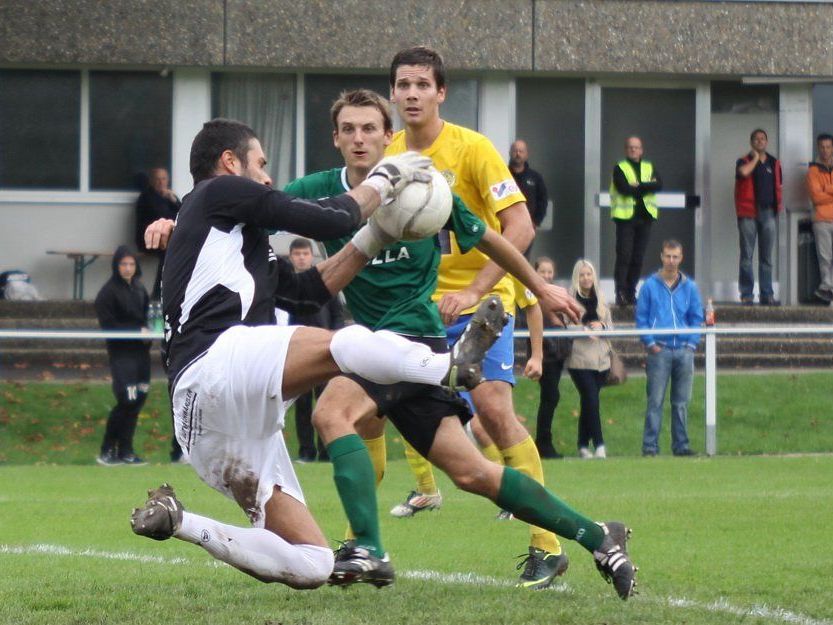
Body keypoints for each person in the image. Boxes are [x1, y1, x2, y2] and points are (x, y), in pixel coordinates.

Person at [288, 88, 636, 599]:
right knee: (472, 472)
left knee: (330, 415)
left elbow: (491, 237)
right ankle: (598, 536)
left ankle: (366, 546)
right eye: (348, 130)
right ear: (335, 138)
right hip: (382, 343)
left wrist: (538, 287)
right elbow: (257, 204)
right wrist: (182, 219)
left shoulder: (422, 186)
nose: (359, 139)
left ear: (390, 136)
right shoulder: (321, 189)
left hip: (408, 331)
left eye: (370, 129)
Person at [129, 118, 503, 591]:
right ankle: (447, 368)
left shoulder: (229, 231)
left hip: (202, 422)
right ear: (229, 162)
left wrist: (373, 238)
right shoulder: (218, 193)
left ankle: (181, 521)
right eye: (261, 164)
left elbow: (309, 292)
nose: (267, 177)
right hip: (215, 360)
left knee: (313, 564)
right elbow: (331, 218)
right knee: (344, 344)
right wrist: (385, 180)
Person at [374, 46, 632, 592]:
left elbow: (520, 227)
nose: (413, 94)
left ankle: (548, 545)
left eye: (423, 84)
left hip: (482, 305)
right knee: (367, 412)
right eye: (403, 85)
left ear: (442, 92)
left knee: (493, 410)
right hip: (412, 307)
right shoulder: (387, 153)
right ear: (393, 93)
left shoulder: (472, 149)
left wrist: (473, 288)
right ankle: (360, 542)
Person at [636, 240, 703, 457]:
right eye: (668, 256)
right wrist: (650, 343)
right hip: (660, 350)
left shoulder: (690, 287)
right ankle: (650, 446)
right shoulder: (649, 286)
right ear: (661, 257)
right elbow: (642, 318)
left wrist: (691, 344)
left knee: (681, 402)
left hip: (683, 349)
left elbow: (696, 318)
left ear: (681, 258)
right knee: (655, 401)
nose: (671, 261)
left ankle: (681, 445)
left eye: (675, 257)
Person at [287, 237, 344, 462]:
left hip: (324, 351)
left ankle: (326, 452)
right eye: (297, 254)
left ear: (312, 256)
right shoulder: (287, 286)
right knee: (302, 405)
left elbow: (337, 314)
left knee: (326, 402)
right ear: (291, 257)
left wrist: (336, 339)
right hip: (296, 352)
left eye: (305, 254)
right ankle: (306, 452)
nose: (301, 258)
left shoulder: (324, 283)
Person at [94, 245, 151, 466]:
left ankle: (126, 450)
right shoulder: (107, 293)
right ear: (116, 266)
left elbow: (144, 320)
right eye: (123, 264)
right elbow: (109, 326)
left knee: (138, 401)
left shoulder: (139, 289)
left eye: (131, 264)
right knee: (126, 399)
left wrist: (148, 333)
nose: (127, 268)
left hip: (141, 355)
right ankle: (107, 449)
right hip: (121, 355)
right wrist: (136, 332)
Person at [566, 259, 613, 459]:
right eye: (582, 274)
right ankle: (599, 444)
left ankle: (583, 445)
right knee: (591, 399)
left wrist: (601, 327)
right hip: (580, 359)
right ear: (577, 277)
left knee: (589, 402)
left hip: (602, 359)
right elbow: (565, 325)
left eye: (589, 274)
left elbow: (611, 327)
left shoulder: (601, 298)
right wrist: (584, 329)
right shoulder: (569, 298)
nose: (586, 278)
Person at [610, 136, 662, 306]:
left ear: (641, 150)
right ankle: (620, 293)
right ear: (626, 150)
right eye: (630, 147)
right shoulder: (620, 168)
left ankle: (631, 292)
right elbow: (623, 189)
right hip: (625, 218)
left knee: (638, 257)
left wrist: (637, 185)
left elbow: (659, 185)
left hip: (645, 217)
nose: (633, 150)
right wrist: (646, 185)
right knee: (624, 256)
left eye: (636, 147)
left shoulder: (649, 166)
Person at [734, 129, 782, 305]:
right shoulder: (744, 161)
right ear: (751, 142)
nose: (760, 141)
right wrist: (755, 158)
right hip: (748, 213)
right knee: (746, 255)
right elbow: (744, 173)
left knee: (766, 257)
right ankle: (747, 294)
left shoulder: (774, 163)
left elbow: (779, 186)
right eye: (756, 139)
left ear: (767, 142)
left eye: (763, 139)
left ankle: (766, 294)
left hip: (768, 212)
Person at [531, 257, 570, 459]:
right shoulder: (533, 296)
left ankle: (544, 442)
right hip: (545, 354)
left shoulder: (555, 294)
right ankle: (542, 443)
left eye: (549, 272)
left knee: (551, 397)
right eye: (542, 272)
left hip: (557, 354)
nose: (546, 276)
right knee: (550, 396)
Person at [135, 167, 181, 300]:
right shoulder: (147, 197)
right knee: (168, 252)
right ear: (152, 181)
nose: (161, 182)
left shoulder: (168, 196)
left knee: (173, 250)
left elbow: (184, 214)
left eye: (164, 179)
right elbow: (164, 216)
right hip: (148, 240)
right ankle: (157, 295)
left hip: (164, 240)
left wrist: (174, 200)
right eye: (157, 179)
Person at [806, 133, 833, 303]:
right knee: (825, 258)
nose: (825, 150)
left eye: (828, 146)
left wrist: (826, 189)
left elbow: (822, 193)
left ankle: (826, 288)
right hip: (821, 219)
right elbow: (816, 197)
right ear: (818, 148)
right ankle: (827, 288)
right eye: (822, 147)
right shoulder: (812, 170)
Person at [509, 139, 549, 231]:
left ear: (526, 154)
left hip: (527, 227)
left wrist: (536, 221)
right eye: (515, 151)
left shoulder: (535, 177)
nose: (518, 154)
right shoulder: (503, 176)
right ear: (510, 153)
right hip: (505, 226)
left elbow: (543, 201)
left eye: (521, 151)